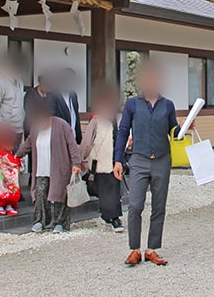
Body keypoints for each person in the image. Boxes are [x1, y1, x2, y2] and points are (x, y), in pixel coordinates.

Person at [114, 60, 183, 267]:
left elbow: (174, 132)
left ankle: (152, 249)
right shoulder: (133, 104)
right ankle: (134, 249)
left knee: (159, 206)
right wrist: (118, 159)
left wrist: (185, 126)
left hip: (162, 159)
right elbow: (123, 131)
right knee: (135, 205)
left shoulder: (167, 105)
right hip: (139, 160)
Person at [16, 100, 81, 233]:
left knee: (59, 195)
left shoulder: (61, 125)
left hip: (59, 168)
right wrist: (16, 156)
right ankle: (40, 221)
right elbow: (28, 144)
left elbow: (72, 145)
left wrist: (76, 163)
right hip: (41, 168)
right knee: (40, 194)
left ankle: (60, 223)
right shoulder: (35, 127)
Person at [79, 84, 124, 232]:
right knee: (105, 189)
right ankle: (110, 217)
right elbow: (87, 142)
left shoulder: (116, 120)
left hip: (114, 161)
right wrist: (80, 158)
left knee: (112, 190)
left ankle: (113, 217)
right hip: (99, 163)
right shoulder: (96, 121)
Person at [0, 53, 26, 148]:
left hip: (18, 127)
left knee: (15, 157)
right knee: (5, 157)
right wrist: (0, 122)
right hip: (3, 127)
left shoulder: (19, 81)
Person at [0, 123, 23, 217]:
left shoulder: (9, 152)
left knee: (11, 189)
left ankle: (9, 206)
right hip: (3, 176)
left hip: (9, 176)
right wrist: (16, 161)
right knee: (4, 189)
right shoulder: (1, 152)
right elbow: (9, 162)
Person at [49, 67, 82, 143]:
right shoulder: (53, 95)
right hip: (59, 138)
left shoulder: (73, 95)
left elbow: (75, 116)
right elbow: (51, 118)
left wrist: (79, 138)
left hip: (72, 137)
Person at [23, 73, 52, 138]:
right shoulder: (31, 94)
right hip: (32, 128)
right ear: (40, 84)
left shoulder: (50, 95)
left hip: (46, 129)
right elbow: (28, 111)